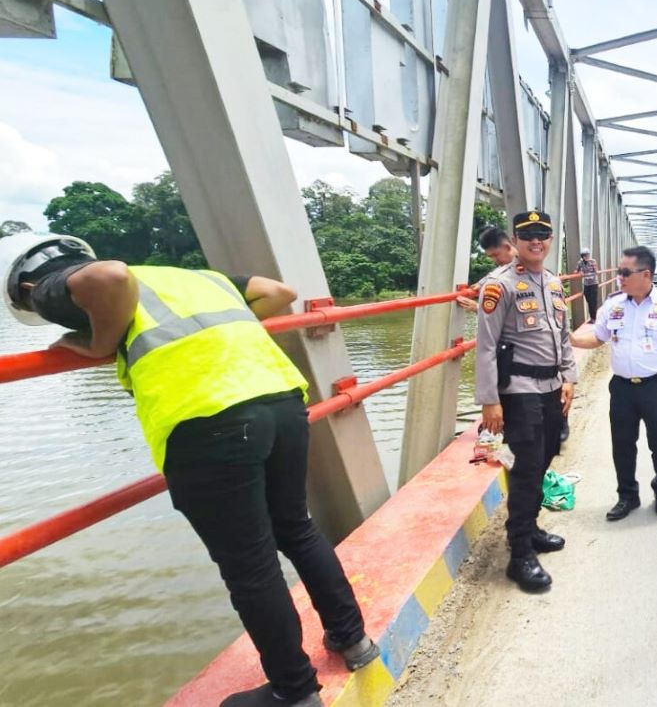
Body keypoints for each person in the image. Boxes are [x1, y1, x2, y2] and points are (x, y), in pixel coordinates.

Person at [0, 233, 378, 707]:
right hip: (280, 400)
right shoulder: (189, 278)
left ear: (26, 286)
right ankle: (354, 641)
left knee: (251, 567)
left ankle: (294, 691)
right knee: (295, 527)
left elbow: (108, 276)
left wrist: (99, 344)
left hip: (208, 419)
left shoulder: (48, 284)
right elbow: (279, 293)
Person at [475, 212, 577, 592]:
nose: (536, 241)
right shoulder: (499, 286)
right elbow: (485, 347)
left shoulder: (552, 283)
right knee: (528, 466)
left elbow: (563, 335)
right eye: (528, 235)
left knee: (547, 456)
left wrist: (569, 377)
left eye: (543, 235)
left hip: (552, 385)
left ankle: (530, 527)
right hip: (518, 390)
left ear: (550, 239)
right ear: (514, 241)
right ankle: (519, 555)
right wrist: (490, 401)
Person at [570, 247, 657, 521]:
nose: (619, 278)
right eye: (618, 273)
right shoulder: (613, 305)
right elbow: (598, 338)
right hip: (623, 388)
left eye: (625, 273)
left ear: (646, 274)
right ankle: (627, 496)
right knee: (622, 443)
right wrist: (569, 340)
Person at [459, 227, 571, 444]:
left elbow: (552, 325)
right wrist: (488, 400)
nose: (494, 260)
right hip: (519, 374)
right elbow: (490, 336)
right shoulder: (498, 279)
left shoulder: (544, 277)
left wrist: (477, 308)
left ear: (508, 246)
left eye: (495, 255)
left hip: (546, 368)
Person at [577, 248, 600, 321]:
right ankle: (592, 317)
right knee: (589, 300)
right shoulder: (580, 263)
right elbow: (576, 270)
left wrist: (594, 268)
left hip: (593, 283)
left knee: (593, 301)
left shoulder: (593, 261)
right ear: (582, 256)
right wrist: (579, 272)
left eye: (587, 255)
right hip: (586, 285)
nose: (586, 257)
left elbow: (596, 271)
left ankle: (593, 318)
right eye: (585, 255)